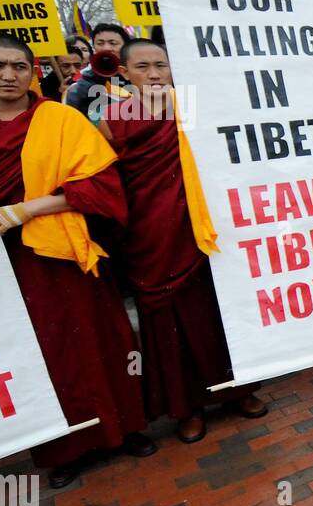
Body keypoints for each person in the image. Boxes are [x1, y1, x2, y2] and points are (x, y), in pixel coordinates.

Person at [0, 34, 151, 488]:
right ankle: (62, 447)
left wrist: (30, 208)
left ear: (33, 71)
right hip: (1, 259)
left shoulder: (59, 118)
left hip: (67, 250)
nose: (9, 75)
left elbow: (104, 188)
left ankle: (126, 428)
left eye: (19, 67)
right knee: (41, 355)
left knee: (103, 341)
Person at [104, 40, 268, 443]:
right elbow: (111, 183)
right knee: (167, 326)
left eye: (162, 64)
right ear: (124, 73)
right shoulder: (112, 120)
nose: (156, 73)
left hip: (203, 227)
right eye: (143, 66)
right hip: (150, 234)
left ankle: (237, 391)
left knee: (217, 314)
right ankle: (186, 408)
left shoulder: (194, 107)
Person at [64, 22, 131, 125]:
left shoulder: (137, 75)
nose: (106, 48)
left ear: (125, 47)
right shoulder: (82, 81)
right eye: (100, 43)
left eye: (113, 43)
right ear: (94, 47)